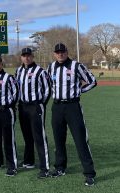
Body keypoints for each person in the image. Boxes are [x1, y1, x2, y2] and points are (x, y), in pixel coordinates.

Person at [47, 43, 97, 186]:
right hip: (57, 107)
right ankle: (60, 168)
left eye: (62, 52)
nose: (60, 54)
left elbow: (92, 81)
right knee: (58, 139)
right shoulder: (51, 67)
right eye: (57, 52)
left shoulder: (76, 66)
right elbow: (50, 84)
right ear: (54, 54)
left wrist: (79, 91)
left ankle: (89, 173)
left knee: (80, 140)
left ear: (67, 52)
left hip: (72, 107)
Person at [15, 48, 51, 179]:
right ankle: (29, 161)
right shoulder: (18, 71)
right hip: (23, 107)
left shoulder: (40, 71)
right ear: (21, 57)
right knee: (27, 136)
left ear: (32, 56)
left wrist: (41, 105)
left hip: (35, 106)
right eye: (24, 56)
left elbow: (48, 90)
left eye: (28, 56)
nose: (26, 58)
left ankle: (45, 167)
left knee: (39, 137)